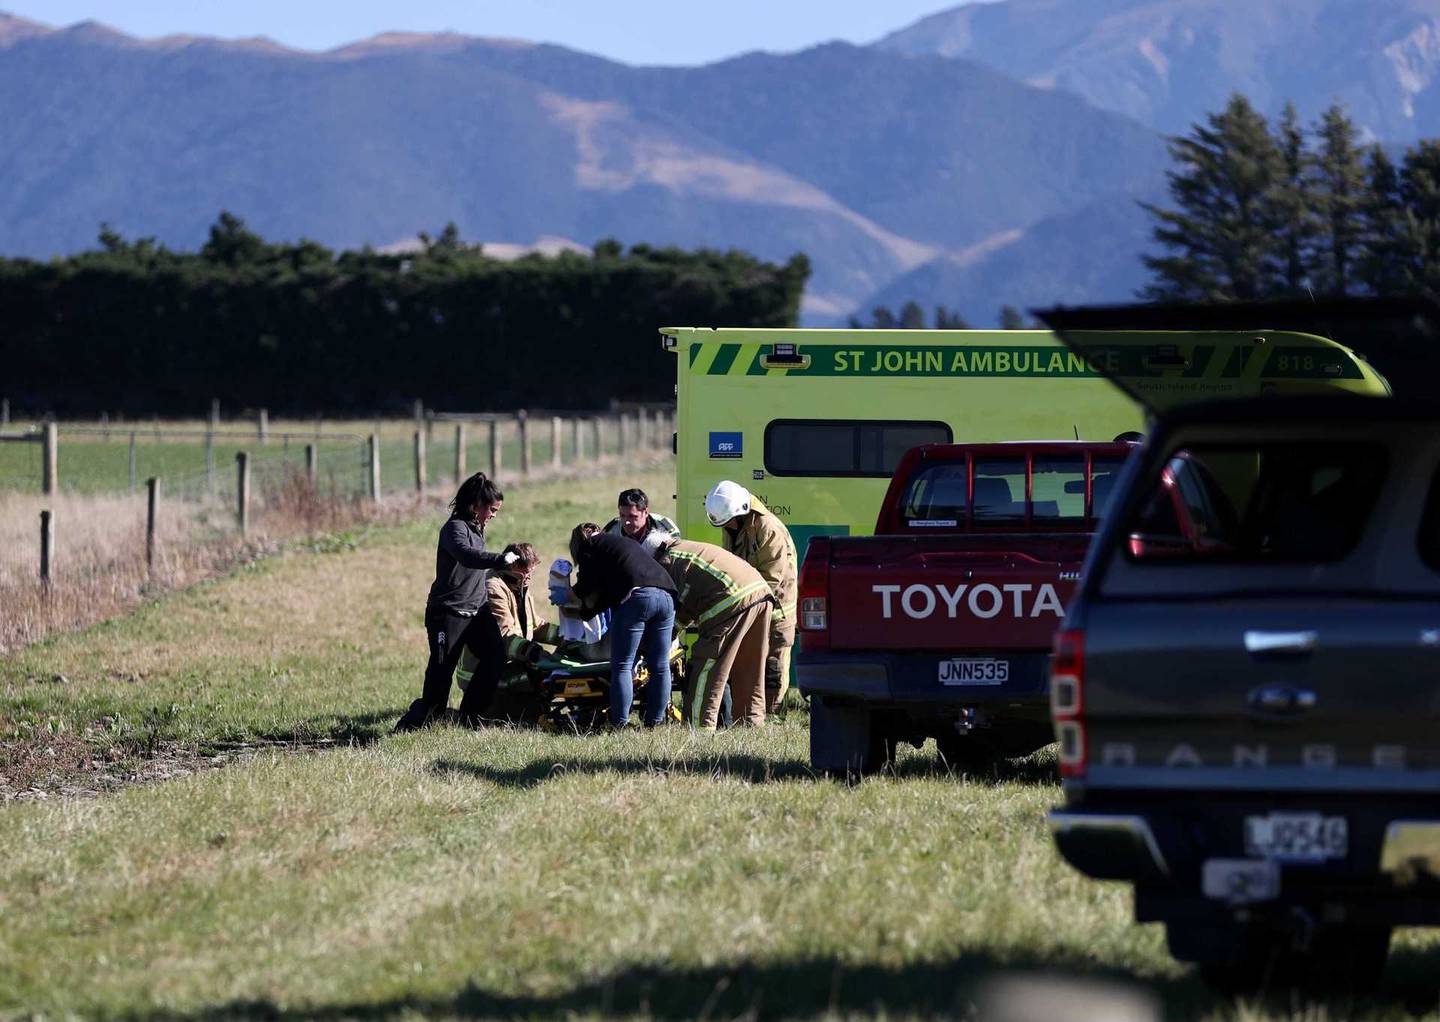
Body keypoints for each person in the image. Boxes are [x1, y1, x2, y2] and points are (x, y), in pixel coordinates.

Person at [394, 472, 517, 732]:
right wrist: (499, 560)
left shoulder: (477, 528)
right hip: (448, 613)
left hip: (478, 611)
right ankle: (415, 724)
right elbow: (467, 556)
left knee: (495, 657)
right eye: (492, 510)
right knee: (441, 673)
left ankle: (470, 717)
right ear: (476, 505)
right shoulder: (454, 529)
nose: (494, 515)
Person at [566, 522, 677, 727]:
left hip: (639, 597)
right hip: (667, 595)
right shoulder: (618, 544)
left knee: (622, 665)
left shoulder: (590, 545)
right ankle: (656, 721)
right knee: (660, 665)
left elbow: (587, 585)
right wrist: (587, 612)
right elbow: (607, 596)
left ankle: (619, 723)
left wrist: (567, 594)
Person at [655, 538, 773, 728]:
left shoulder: (669, 563)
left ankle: (698, 728)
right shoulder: (686, 549)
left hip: (733, 600)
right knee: (749, 669)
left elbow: (680, 605)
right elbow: (691, 600)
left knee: (705, 666)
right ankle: (750, 725)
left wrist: (666, 636)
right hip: (761, 593)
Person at [705, 480, 798, 714]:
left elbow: (772, 578)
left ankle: (774, 718)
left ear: (741, 512)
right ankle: (749, 713)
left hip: (776, 611)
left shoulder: (769, 529)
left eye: (728, 522)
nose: (726, 527)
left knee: (773, 670)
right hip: (751, 606)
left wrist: (742, 605)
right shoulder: (732, 527)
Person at [459, 542, 565, 721]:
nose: (530, 576)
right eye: (528, 571)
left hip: (510, 664)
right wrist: (535, 653)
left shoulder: (518, 587)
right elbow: (504, 636)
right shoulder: (493, 588)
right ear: (514, 566)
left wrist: (567, 636)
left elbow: (535, 626)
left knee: (541, 686)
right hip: (481, 675)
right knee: (537, 684)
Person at [603, 487, 681, 556]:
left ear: (646, 512)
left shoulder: (665, 529)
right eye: (622, 516)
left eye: (632, 516)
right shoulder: (611, 531)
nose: (626, 522)